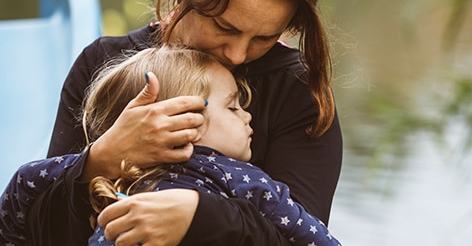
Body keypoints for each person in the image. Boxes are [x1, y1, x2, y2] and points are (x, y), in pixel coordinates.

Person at [38, 0, 343, 245]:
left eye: (264, 38)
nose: (238, 55)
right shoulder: (105, 64)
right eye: (224, 26)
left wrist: (201, 217)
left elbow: (304, 237)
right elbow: (32, 230)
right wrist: (100, 160)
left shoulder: (299, 94)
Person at [0, 46, 341, 246]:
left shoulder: (119, 185)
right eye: (234, 106)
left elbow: (20, 190)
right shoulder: (242, 178)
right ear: (186, 120)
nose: (247, 116)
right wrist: (100, 157)